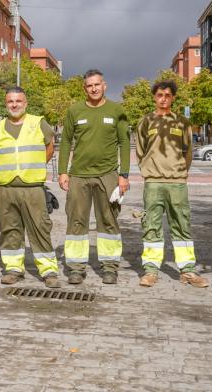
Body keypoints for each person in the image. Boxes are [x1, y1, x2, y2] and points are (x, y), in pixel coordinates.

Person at [58, 69, 130, 285]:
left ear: (104, 85)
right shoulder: (74, 111)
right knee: (76, 222)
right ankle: (76, 268)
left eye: (97, 84)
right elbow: (65, 142)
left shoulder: (116, 110)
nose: (94, 88)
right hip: (78, 176)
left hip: (107, 175)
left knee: (108, 221)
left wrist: (123, 175)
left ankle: (109, 267)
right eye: (89, 85)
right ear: (84, 88)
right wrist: (63, 171)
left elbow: (124, 143)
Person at [135, 80, 208, 288]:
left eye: (167, 95)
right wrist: (149, 170)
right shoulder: (145, 122)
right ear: (154, 97)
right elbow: (141, 151)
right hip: (153, 183)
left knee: (182, 226)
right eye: (159, 95)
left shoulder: (182, 122)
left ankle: (188, 271)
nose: (163, 98)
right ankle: (150, 270)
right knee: (151, 226)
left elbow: (187, 152)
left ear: (173, 97)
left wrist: (181, 173)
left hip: (177, 183)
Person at [0, 87, 60, 288]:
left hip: (33, 188)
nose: (14, 104)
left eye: (18, 101)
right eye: (10, 101)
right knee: (9, 229)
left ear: (25, 103)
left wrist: (35, 165)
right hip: (6, 188)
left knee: (40, 229)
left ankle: (48, 271)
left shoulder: (38, 123)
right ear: (6, 104)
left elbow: (50, 147)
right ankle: (13, 269)